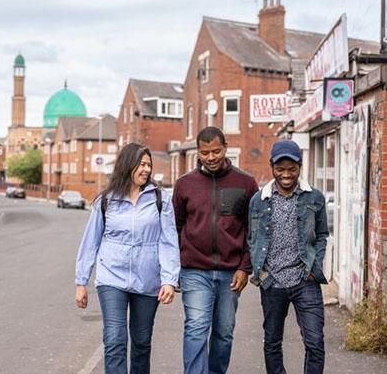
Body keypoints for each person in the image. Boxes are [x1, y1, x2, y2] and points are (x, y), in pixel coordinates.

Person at [75, 143, 180, 374]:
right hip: (111, 278)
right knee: (114, 339)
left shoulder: (159, 198)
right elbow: (90, 242)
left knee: (142, 343)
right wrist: (81, 282)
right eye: (141, 164)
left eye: (148, 165)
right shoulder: (106, 200)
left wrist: (169, 280)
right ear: (127, 165)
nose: (146, 169)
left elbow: (169, 241)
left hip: (148, 280)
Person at [172, 127, 258, 374]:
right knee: (196, 328)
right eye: (205, 152)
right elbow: (175, 228)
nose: (211, 157)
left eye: (216, 151)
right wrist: (175, 265)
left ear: (226, 147)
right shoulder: (184, 185)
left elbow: (254, 231)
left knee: (224, 333)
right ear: (197, 153)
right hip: (194, 270)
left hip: (231, 273)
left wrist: (245, 267)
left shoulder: (246, 183)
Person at [248, 139, 328, 374]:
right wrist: (261, 274)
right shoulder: (258, 200)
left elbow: (322, 234)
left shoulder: (314, 197)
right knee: (272, 342)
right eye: (280, 169)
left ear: (300, 167)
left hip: (305, 280)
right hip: (272, 282)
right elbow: (251, 237)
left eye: (291, 169)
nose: (286, 174)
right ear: (272, 167)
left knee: (315, 342)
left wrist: (315, 266)